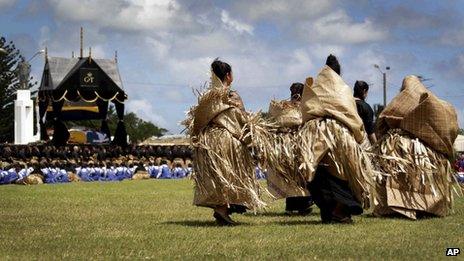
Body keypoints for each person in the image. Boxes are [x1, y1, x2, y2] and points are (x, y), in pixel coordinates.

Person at [184, 59, 267, 225]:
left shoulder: (207, 98)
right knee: (229, 175)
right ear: (228, 76)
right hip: (227, 140)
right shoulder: (231, 96)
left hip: (209, 142)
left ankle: (222, 209)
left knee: (218, 176)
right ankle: (222, 210)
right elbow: (242, 120)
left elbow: (197, 122)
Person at [296, 55, 375, 223]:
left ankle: (329, 212)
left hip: (314, 136)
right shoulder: (343, 90)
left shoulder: (315, 88)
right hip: (339, 138)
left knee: (321, 174)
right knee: (341, 175)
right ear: (339, 73)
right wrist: (360, 138)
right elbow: (352, 118)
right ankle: (338, 211)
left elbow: (305, 112)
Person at [372, 75, 459, 219]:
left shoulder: (401, 100)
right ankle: (424, 206)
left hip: (399, 148)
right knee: (421, 178)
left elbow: (384, 118)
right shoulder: (431, 103)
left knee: (400, 176)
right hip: (424, 151)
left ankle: (398, 206)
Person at [265, 82, 313, 215]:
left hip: (283, 145)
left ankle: (291, 206)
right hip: (298, 144)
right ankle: (302, 205)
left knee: (291, 178)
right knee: (300, 176)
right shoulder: (302, 109)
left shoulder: (281, 107)